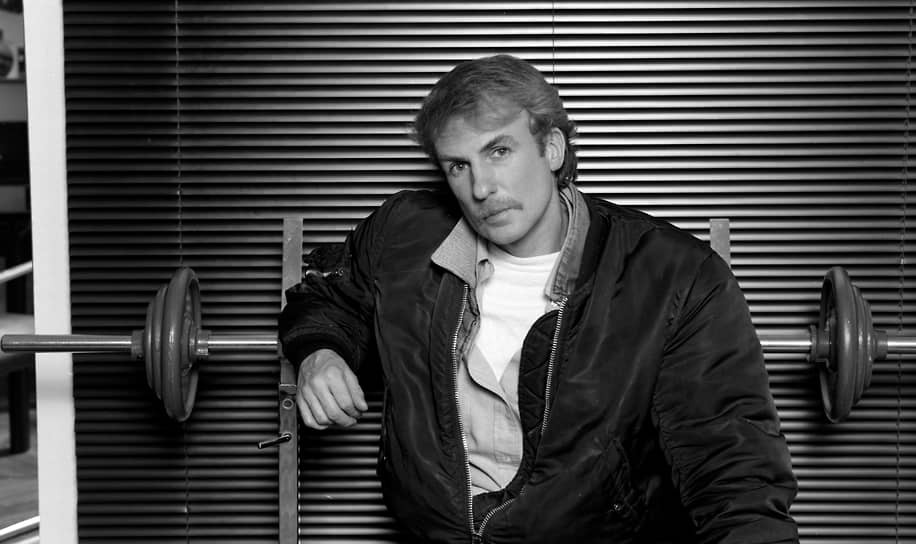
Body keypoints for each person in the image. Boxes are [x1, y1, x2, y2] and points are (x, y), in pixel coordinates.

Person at [279, 54, 798, 543]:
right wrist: (320, 352)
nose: (480, 188)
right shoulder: (404, 234)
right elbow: (328, 296)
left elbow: (734, 472)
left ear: (552, 148)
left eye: (499, 151)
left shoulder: (673, 274)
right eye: (458, 165)